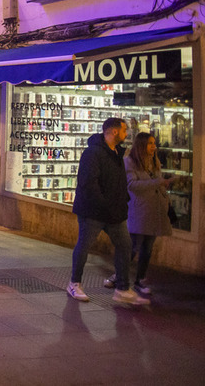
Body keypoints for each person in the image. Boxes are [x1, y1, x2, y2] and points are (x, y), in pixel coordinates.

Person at [68, 117, 149, 305]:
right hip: (93, 211)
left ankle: (122, 288)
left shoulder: (116, 153)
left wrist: (123, 202)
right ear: (113, 132)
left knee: (125, 245)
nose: (126, 134)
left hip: (115, 213)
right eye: (123, 131)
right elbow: (88, 183)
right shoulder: (93, 153)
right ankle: (74, 283)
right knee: (84, 245)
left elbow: (119, 183)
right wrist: (104, 204)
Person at [113, 132, 173, 296]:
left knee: (147, 248)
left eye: (154, 143)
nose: (154, 146)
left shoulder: (155, 161)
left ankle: (140, 280)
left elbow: (156, 182)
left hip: (155, 210)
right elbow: (132, 185)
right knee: (132, 246)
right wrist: (158, 182)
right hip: (139, 210)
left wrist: (164, 189)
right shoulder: (130, 162)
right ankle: (118, 275)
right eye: (150, 143)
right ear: (141, 145)